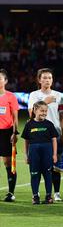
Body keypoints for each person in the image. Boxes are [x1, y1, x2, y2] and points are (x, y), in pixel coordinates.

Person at [28, 68, 63, 202]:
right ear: (39, 80)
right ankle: (37, 194)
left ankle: (55, 193)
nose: (47, 80)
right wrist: (46, 101)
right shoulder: (34, 95)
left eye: (49, 77)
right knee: (39, 166)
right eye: (44, 77)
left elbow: (62, 116)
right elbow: (31, 114)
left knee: (55, 165)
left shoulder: (59, 95)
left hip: (54, 133)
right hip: (39, 134)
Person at [22, 101, 58, 205]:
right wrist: (26, 154)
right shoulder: (29, 124)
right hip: (34, 152)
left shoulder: (49, 124)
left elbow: (54, 139)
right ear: (35, 110)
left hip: (47, 151)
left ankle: (48, 196)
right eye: (41, 111)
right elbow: (26, 141)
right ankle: (35, 196)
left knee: (47, 174)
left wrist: (54, 154)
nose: (44, 113)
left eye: (45, 111)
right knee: (34, 174)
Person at [0, 69, 19, 202]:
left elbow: (15, 116)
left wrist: (15, 132)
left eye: (0, 78)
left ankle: (11, 192)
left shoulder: (10, 96)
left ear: (5, 81)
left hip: (6, 132)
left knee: (8, 162)